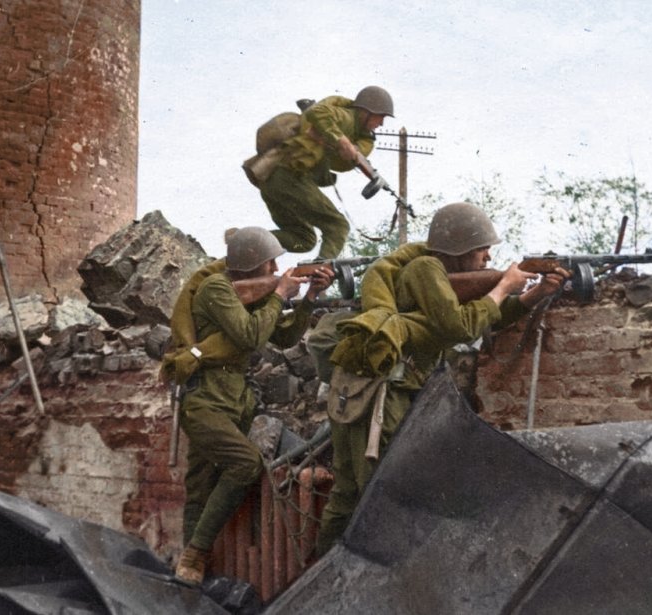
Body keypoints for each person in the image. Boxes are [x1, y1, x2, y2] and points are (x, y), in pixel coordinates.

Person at [314, 202, 569, 554]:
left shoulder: (434, 272)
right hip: (381, 396)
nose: (487, 256)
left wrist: (533, 295)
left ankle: (323, 574)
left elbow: (481, 318)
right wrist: (503, 287)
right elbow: (459, 326)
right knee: (377, 490)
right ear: (460, 249)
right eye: (482, 249)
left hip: (378, 391)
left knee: (352, 493)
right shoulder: (425, 268)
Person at [169, 226, 333, 586]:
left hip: (235, 398)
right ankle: (194, 555)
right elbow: (249, 335)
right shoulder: (216, 289)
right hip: (206, 398)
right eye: (270, 262)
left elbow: (285, 335)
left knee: (201, 483)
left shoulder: (252, 293)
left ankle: (192, 572)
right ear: (251, 264)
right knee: (244, 465)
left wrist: (308, 298)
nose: (276, 268)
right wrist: (279, 294)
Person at [258, 86, 394, 259]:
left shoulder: (361, 135)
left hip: (269, 176)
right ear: (366, 111)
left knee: (304, 239)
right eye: (380, 116)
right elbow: (318, 111)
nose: (381, 123)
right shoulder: (348, 118)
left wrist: (348, 150)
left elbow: (346, 157)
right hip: (289, 175)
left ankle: (243, 241)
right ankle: (321, 274)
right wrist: (342, 141)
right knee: (338, 226)